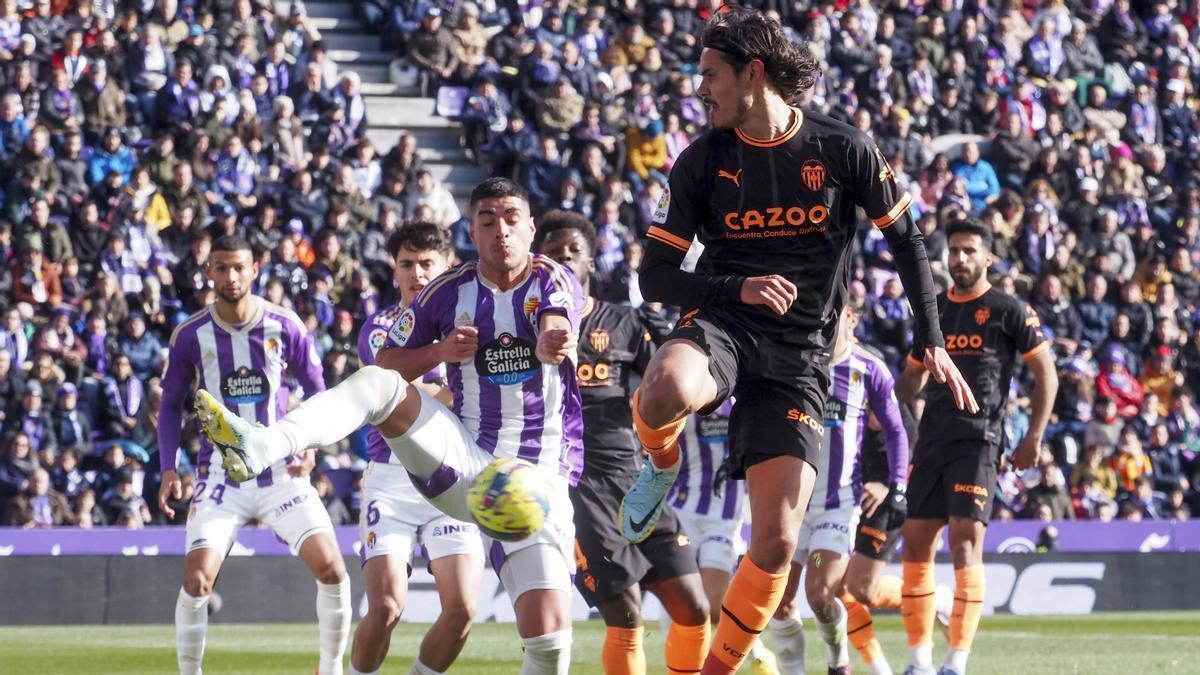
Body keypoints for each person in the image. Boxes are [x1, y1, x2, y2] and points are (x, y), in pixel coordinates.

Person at [616, 9, 974, 674]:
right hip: (724, 326)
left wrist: (934, 340)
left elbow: (909, 244)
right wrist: (738, 287)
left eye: (710, 76)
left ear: (753, 75)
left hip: (802, 356)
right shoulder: (701, 161)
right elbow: (656, 276)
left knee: (778, 542)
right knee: (662, 387)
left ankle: (717, 669)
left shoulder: (843, 149)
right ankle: (659, 461)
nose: (701, 91)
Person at [194, 177, 584, 674]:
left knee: (549, 640)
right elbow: (388, 357)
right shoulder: (448, 292)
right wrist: (440, 352)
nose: (501, 231)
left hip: (536, 475)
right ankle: (262, 443)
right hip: (462, 458)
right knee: (378, 382)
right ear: (471, 230)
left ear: (531, 228)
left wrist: (553, 339)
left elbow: (556, 320)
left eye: (511, 219)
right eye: (488, 221)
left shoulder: (552, 276)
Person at [157, 235, 350, 675]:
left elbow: (319, 390)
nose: (231, 277)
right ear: (208, 271)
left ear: (255, 269)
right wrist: (168, 468)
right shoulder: (191, 335)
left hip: (281, 472)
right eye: (221, 268)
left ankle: (331, 668)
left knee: (334, 570)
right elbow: (170, 404)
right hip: (220, 479)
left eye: (239, 267)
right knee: (197, 580)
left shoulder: (285, 326)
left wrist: (311, 443)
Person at [535, 210, 713, 675]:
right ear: (541, 264)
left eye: (574, 252)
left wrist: (668, 337)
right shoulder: (526, 327)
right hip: (578, 484)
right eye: (554, 254)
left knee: (695, 610)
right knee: (627, 612)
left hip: (638, 480)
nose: (565, 259)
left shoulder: (625, 321)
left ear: (591, 262)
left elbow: (666, 389)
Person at [895, 217, 1058, 675]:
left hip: (980, 439)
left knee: (965, 542)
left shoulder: (1009, 310)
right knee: (916, 542)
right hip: (932, 441)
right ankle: (918, 661)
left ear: (988, 258)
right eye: (954, 251)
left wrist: (1034, 437)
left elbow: (1046, 372)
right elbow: (911, 379)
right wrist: (888, 401)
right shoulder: (934, 314)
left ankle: (956, 662)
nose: (960, 259)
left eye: (969, 251)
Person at [770, 303, 943, 675]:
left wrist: (896, 485)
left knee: (820, 595)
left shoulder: (869, 369)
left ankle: (838, 661)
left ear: (850, 317)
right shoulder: (793, 362)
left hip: (837, 507)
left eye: (835, 312)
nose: (825, 320)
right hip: (790, 509)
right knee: (779, 603)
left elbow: (898, 430)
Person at [349, 222, 485, 675]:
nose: (417, 272)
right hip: (391, 480)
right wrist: (450, 373)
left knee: (463, 610)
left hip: (452, 478)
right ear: (394, 272)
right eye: (406, 264)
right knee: (387, 608)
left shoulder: (473, 322)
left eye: (427, 263)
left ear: (447, 266)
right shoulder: (380, 329)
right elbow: (407, 397)